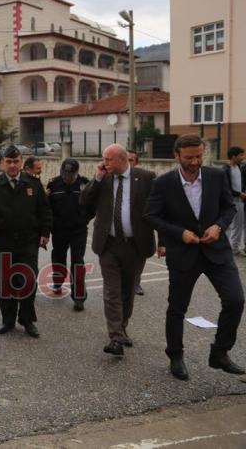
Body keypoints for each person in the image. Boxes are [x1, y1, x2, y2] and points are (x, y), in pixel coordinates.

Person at [144, 134, 245, 380]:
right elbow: (151, 216)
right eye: (189, 157)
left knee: (235, 300)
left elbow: (229, 207)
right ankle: (175, 356)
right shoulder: (164, 183)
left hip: (216, 250)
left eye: (199, 156)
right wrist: (180, 234)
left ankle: (219, 353)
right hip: (183, 253)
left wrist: (218, 227)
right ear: (176, 155)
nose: (195, 161)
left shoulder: (215, 176)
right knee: (177, 308)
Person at [80, 144, 155, 357]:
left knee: (127, 290)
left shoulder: (146, 177)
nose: (104, 163)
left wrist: (164, 241)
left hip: (135, 244)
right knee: (112, 291)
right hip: (108, 243)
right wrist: (96, 178)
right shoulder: (102, 178)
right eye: (104, 158)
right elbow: (84, 202)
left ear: (122, 160)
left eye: (108, 159)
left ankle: (121, 327)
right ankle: (115, 337)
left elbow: (158, 209)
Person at [0, 146, 51, 338]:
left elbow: (44, 211)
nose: (12, 165)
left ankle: (26, 320)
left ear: (21, 162)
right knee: (7, 282)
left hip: (28, 241)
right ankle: (8, 320)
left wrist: (45, 233)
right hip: (4, 241)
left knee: (28, 280)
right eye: (8, 162)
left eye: (16, 161)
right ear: (2, 163)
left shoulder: (33, 184)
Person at [46, 158, 90, 311]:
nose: (66, 177)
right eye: (64, 173)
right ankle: (58, 281)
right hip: (59, 230)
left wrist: (85, 219)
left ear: (76, 172)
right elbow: (47, 208)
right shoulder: (53, 184)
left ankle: (79, 297)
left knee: (78, 262)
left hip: (78, 230)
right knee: (58, 257)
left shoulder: (85, 184)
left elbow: (92, 205)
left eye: (70, 174)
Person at [127, 149, 150, 296]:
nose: (128, 164)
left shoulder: (145, 179)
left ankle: (136, 282)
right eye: (125, 160)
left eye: (131, 160)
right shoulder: (112, 178)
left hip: (140, 227)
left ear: (136, 163)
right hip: (119, 228)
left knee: (139, 257)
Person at [222, 146, 246, 256]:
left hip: (240, 201)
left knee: (239, 225)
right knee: (229, 225)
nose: (243, 157)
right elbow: (226, 187)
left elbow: (241, 183)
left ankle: (234, 248)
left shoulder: (239, 167)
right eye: (241, 155)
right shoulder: (226, 169)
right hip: (231, 201)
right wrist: (239, 194)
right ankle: (227, 247)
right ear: (233, 156)